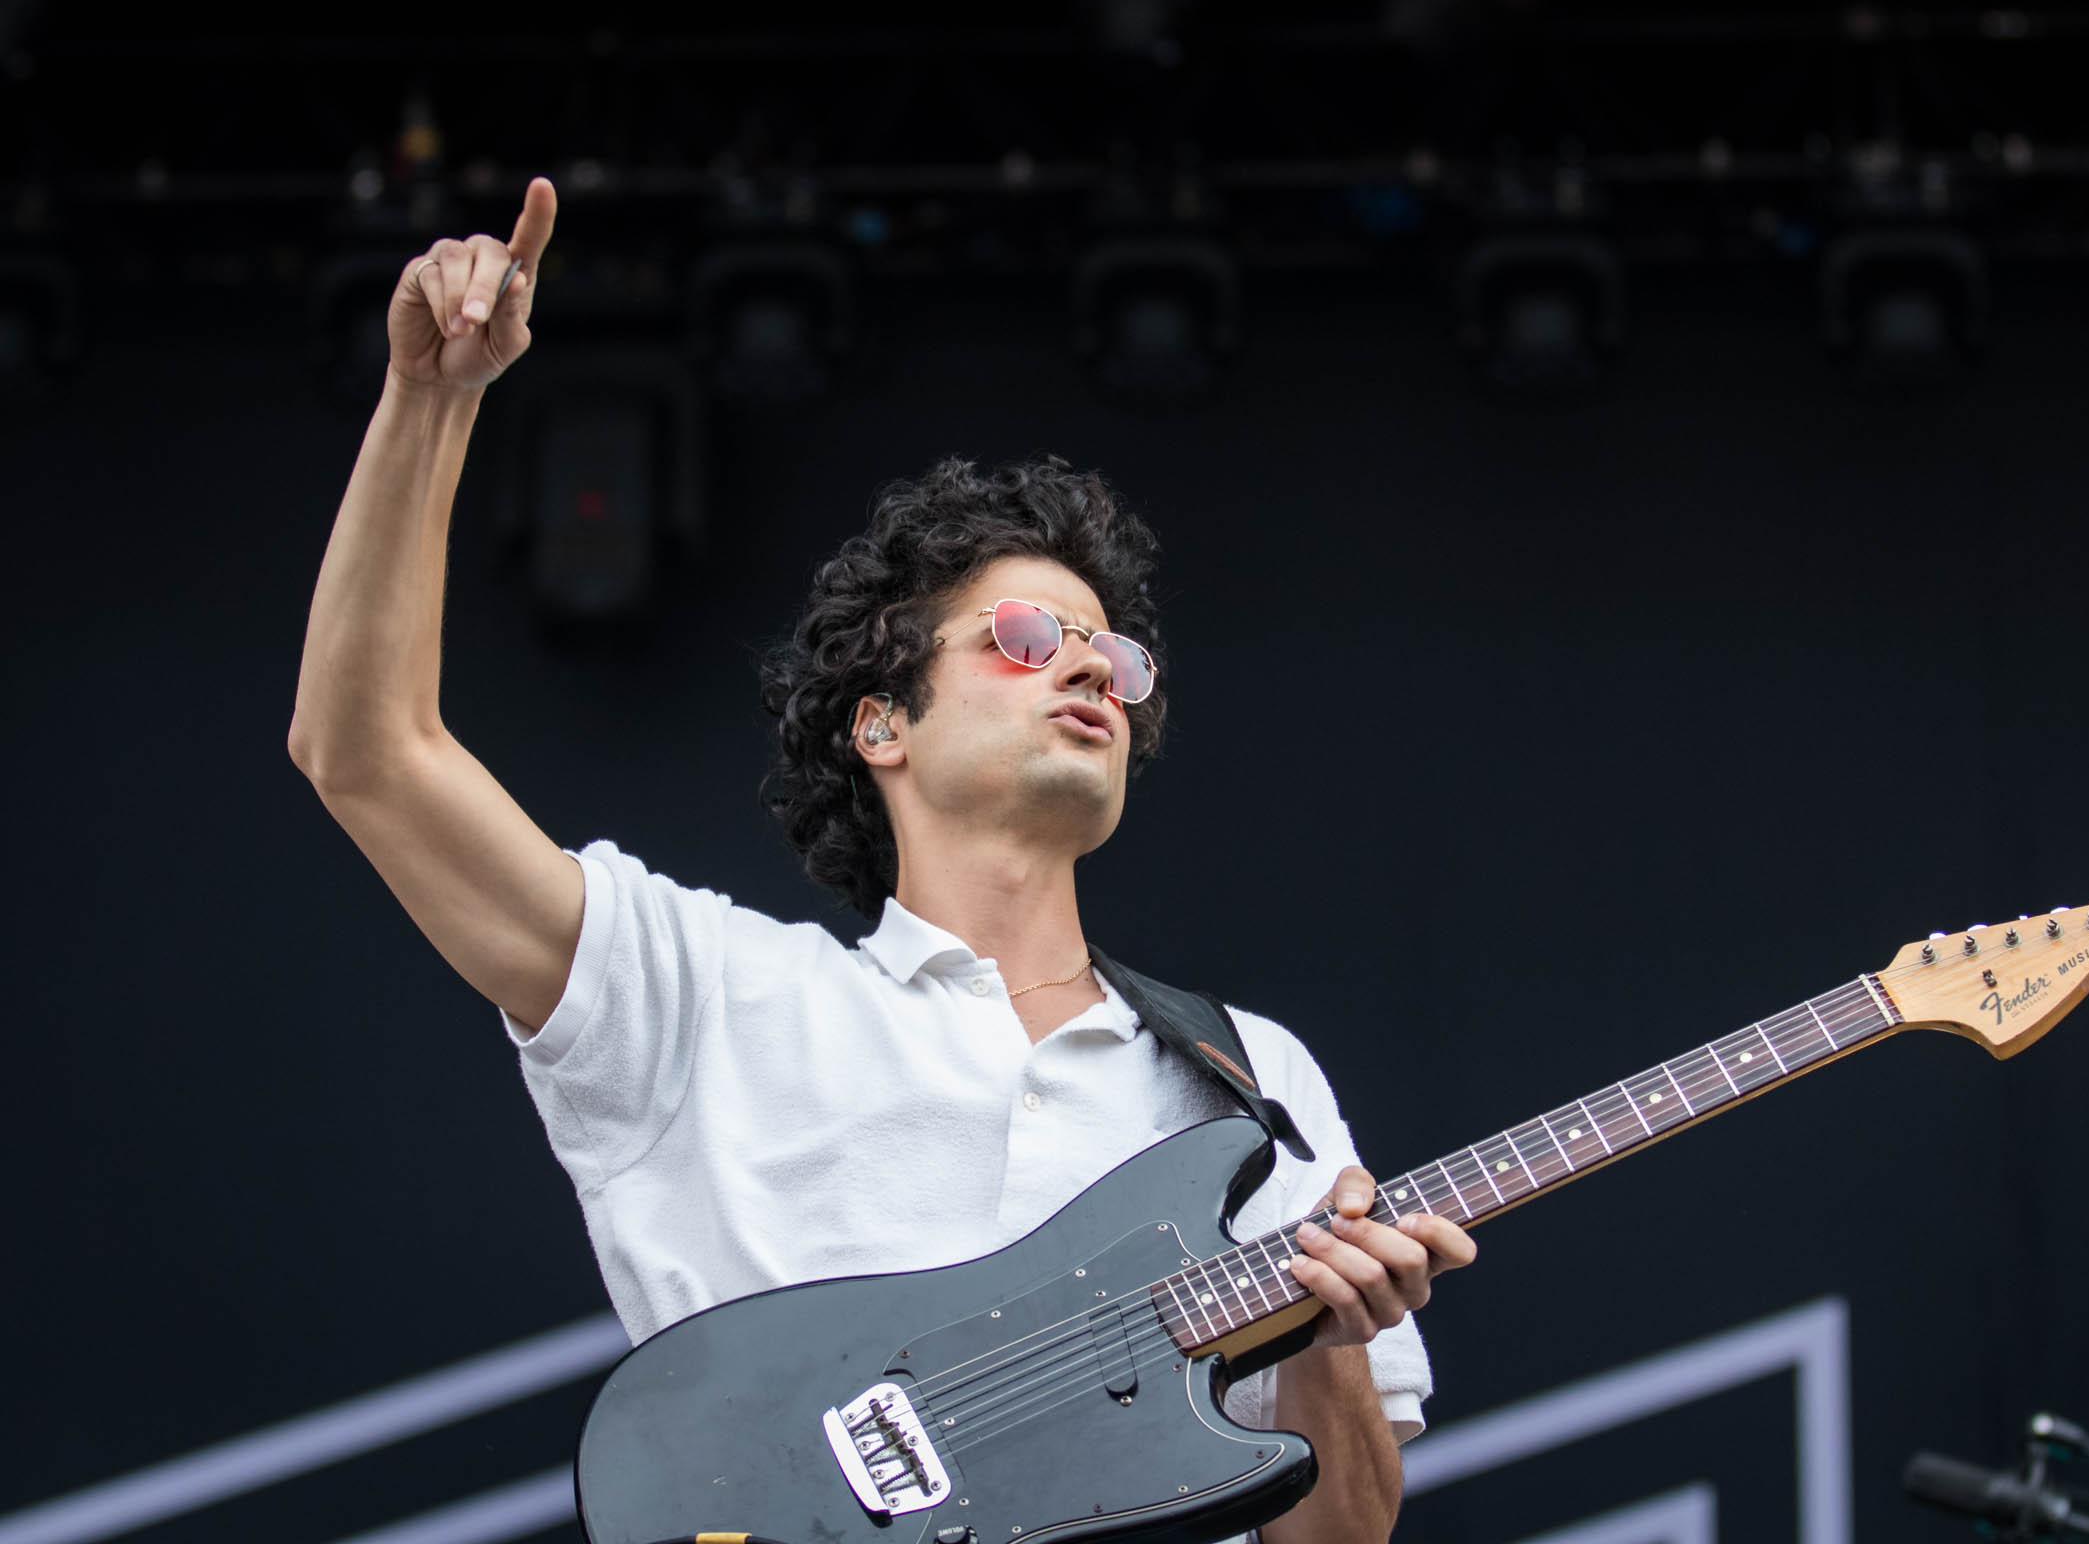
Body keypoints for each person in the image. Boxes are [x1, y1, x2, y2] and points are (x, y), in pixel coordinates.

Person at [288, 176, 1476, 1544]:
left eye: (1113, 652)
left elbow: (1335, 1540)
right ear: (883, 723)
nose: (1090, 663)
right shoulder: (704, 997)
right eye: (1026, 638)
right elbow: (365, 748)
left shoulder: (1250, 1078)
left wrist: (1329, 1339)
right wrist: (431, 403)